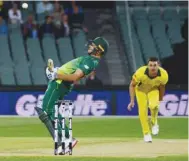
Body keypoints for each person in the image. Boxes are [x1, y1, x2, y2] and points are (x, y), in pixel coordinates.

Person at [35, 37, 109, 154]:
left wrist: (56, 75)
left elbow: (75, 77)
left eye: (93, 45)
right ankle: (63, 142)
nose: (90, 46)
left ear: (99, 50)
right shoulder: (90, 60)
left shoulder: (90, 61)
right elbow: (70, 72)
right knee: (49, 111)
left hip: (59, 84)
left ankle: (67, 139)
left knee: (46, 110)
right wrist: (57, 71)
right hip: (60, 83)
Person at [127, 57, 168, 143]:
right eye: (150, 65)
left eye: (155, 65)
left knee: (154, 106)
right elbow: (132, 85)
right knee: (142, 111)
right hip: (140, 91)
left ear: (158, 66)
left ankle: (154, 122)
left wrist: (160, 99)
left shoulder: (164, 75)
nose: (153, 68)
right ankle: (146, 134)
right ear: (147, 66)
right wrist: (132, 101)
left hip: (153, 90)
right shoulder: (140, 73)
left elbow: (162, 87)